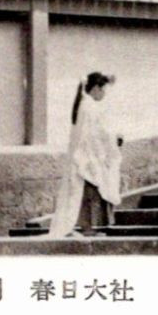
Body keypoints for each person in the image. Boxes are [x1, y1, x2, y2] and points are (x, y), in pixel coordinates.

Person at [48, 72, 123, 237]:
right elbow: (95, 133)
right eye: (103, 90)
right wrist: (113, 139)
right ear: (96, 88)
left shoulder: (84, 105)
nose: (104, 95)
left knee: (87, 191)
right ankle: (89, 227)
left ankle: (89, 227)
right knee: (92, 191)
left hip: (87, 154)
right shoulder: (90, 107)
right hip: (89, 155)